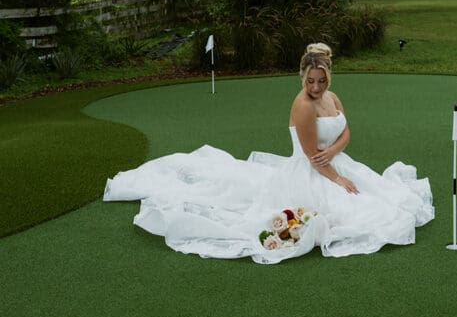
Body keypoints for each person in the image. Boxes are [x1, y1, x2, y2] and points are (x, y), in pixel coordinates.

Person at [103, 42, 433, 263]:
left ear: (328, 77)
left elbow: (347, 131)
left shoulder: (332, 97)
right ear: (302, 76)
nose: (316, 87)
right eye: (310, 81)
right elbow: (311, 157)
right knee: (355, 211)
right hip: (312, 172)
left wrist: (334, 151)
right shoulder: (303, 106)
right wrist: (339, 178)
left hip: (334, 161)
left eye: (321, 80)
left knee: (386, 201)